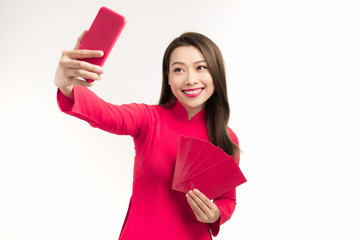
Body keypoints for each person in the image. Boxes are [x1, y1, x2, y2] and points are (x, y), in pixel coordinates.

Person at [55, 31, 241, 240]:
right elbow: (105, 113)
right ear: (168, 77)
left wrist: (215, 214)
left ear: (216, 73)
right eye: (179, 69)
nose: (190, 79)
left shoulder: (226, 137)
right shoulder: (149, 119)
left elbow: (227, 199)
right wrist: (67, 85)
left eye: (201, 67)